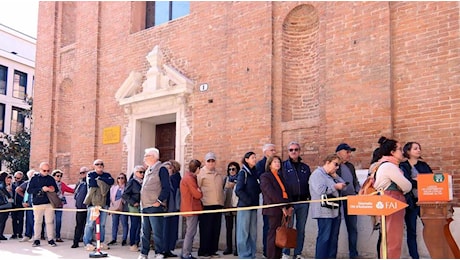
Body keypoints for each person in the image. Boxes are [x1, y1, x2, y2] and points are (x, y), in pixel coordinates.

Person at [373, 136, 412, 259]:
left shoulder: (383, 165)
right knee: (393, 239)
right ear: (392, 152)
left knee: (388, 238)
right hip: (392, 201)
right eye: (400, 149)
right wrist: (404, 187)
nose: (402, 152)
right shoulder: (389, 166)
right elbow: (407, 186)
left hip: (388, 201)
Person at [309, 154, 347, 259]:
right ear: (327, 162)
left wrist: (336, 177)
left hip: (335, 211)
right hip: (324, 212)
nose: (337, 167)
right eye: (335, 164)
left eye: (338, 165)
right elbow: (320, 190)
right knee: (324, 238)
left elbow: (344, 186)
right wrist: (334, 186)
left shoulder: (331, 175)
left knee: (333, 239)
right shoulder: (317, 174)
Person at [400, 141, 432, 259]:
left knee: (430, 228)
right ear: (408, 151)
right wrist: (418, 181)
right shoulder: (403, 166)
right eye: (415, 148)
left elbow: (430, 180)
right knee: (411, 230)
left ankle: (434, 253)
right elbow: (406, 182)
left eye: (419, 148)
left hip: (425, 202)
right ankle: (414, 256)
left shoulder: (423, 165)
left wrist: (418, 181)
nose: (418, 150)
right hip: (411, 202)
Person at [138, 148, 170, 259]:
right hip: (145, 206)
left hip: (154, 206)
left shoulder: (161, 169)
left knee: (157, 231)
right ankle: (144, 253)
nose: (144, 158)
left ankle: (159, 252)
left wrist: (159, 201)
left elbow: (166, 188)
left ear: (153, 156)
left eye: (146, 156)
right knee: (145, 231)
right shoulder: (148, 170)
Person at [281, 141, 311, 259]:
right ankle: (286, 253)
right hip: (290, 203)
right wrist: (285, 204)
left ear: (299, 151)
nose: (294, 152)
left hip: (303, 203)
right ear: (288, 152)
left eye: (296, 149)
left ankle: (298, 253)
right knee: (288, 228)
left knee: (301, 229)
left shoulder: (305, 167)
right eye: (291, 150)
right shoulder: (283, 166)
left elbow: (310, 184)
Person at [260, 155, 293, 259]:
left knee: (280, 235)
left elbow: (287, 192)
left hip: (284, 209)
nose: (277, 163)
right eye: (274, 162)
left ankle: (278, 256)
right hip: (273, 210)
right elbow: (271, 193)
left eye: (278, 161)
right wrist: (282, 206)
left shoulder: (281, 177)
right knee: (273, 234)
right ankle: (271, 256)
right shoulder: (265, 176)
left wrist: (289, 206)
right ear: (269, 164)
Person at [197, 152, 225, 258]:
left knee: (215, 229)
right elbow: (198, 188)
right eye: (209, 161)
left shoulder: (218, 174)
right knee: (206, 229)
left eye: (213, 161)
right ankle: (204, 251)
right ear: (205, 162)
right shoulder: (201, 174)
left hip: (218, 205)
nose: (211, 163)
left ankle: (213, 250)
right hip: (206, 205)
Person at [83, 159, 114, 251]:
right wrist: (104, 182)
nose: (99, 165)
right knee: (90, 224)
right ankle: (87, 242)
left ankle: (101, 242)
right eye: (97, 164)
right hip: (94, 204)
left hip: (105, 203)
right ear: (94, 166)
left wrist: (99, 179)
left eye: (101, 164)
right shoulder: (90, 174)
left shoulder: (107, 175)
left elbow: (111, 181)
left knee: (102, 224)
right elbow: (92, 183)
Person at [335, 143, 360, 258]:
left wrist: (358, 191)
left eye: (350, 152)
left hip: (352, 200)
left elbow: (355, 181)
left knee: (353, 228)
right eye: (347, 152)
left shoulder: (350, 166)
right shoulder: (334, 165)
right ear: (339, 153)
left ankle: (353, 254)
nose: (349, 154)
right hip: (339, 201)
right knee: (335, 228)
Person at [235, 151, 261, 259]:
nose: (254, 159)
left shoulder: (255, 173)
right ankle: (244, 255)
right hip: (245, 207)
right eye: (252, 157)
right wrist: (248, 201)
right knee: (243, 232)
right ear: (246, 160)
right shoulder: (243, 173)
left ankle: (252, 254)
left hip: (254, 207)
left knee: (252, 233)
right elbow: (238, 190)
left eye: (255, 157)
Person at [26, 162, 59, 247]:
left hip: (48, 203)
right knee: (37, 222)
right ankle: (36, 239)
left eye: (48, 170)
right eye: (44, 170)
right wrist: (41, 189)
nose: (46, 172)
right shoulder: (34, 178)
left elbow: (56, 190)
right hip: (37, 203)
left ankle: (51, 239)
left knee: (49, 222)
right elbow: (29, 190)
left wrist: (52, 189)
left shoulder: (51, 178)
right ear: (40, 170)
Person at [255, 143, 276, 258]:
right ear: (265, 152)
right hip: (267, 200)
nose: (274, 152)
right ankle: (266, 252)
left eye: (274, 150)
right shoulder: (260, 165)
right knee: (268, 227)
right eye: (272, 150)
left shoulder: (277, 164)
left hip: (277, 201)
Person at [180, 159, 203, 259]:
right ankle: (186, 253)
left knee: (189, 232)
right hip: (191, 208)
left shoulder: (188, 177)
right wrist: (200, 191)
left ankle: (185, 252)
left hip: (190, 207)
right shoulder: (189, 178)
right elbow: (197, 194)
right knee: (190, 232)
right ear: (197, 168)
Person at [122, 165, 144, 252]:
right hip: (134, 206)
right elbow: (125, 194)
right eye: (140, 172)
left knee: (140, 225)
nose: (142, 174)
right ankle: (132, 243)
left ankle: (138, 242)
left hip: (142, 205)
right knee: (135, 225)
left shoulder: (144, 182)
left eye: (143, 172)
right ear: (135, 173)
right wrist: (133, 202)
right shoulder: (132, 182)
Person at [163, 160, 182, 258]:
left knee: (172, 230)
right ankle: (164, 250)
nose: (168, 170)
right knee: (165, 230)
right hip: (165, 209)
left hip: (174, 208)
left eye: (169, 168)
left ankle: (169, 249)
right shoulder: (162, 180)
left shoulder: (175, 179)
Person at [52, 169, 75, 242]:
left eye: (60, 176)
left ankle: (58, 236)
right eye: (57, 176)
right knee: (48, 220)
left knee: (58, 220)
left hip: (59, 204)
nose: (59, 177)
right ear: (53, 176)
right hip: (50, 204)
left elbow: (71, 190)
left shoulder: (62, 185)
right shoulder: (50, 184)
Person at [223, 161, 240, 256]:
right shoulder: (226, 179)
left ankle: (237, 248)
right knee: (228, 228)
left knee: (238, 228)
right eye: (229, 169)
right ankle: (228, 247)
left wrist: (235, 185)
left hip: (237, 206)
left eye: (233, 169)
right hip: (227, 206)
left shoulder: (240, 179)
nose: (231, 171)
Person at [108, 172, 129, 246]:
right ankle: (114, 238)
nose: (120, 179)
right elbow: (111, 198)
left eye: (122, 178)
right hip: (115, 207)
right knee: (115, 223)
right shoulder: (113, 188)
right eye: (119, 178)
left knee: (124, 223)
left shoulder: (126, 187)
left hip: (123, 207)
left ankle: (124, 239)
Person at [71, 166, 89, 248]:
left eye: (84, 172)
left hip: (88, 207)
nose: (83, 174)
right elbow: (75, 193)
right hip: (80, 207)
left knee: (89, 225)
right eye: (81, 173)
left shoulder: (90, 181)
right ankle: (76, 241)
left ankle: (87, 241)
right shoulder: (79, 183)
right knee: (79, 225)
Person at [16, 169, 36, 242]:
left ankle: (34, 235)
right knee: (28, 220)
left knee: (34, 220)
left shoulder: (37, 183)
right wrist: (24, 200)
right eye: (31, 175)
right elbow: (18, 189)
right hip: (27, 203)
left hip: (35, 203)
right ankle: (27, 235)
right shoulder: (27, 183)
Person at [10, 171, 25, 239]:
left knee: (20, 219)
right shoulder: (12, 184)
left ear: (21, 178)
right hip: (13, 204)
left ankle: (20, 233)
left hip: (20, 204)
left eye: (18, 178)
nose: (16, 179)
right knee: (14, 219)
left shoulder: (24, 184)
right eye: (15, 177)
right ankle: (14, 233)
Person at [0, 172, 12, 240]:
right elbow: (3, 189)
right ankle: (0, 235)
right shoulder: (1, 183)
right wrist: (9, 195)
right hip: (3, 205)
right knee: (2, 220)